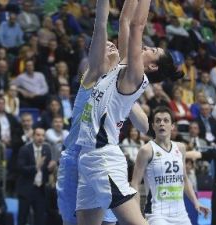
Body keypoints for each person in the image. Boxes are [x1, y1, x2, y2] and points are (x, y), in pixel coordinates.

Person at [75, 0, 182, 224]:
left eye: (153, 50)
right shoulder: (124, 64)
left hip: (102, 157)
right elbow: (124, 20)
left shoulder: (136, 76)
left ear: (152, 66)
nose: (147, 47)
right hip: (87, 157)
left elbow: (137, 25)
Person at [56, 0, 150, 225]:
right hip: (76, 158)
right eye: (105, 45)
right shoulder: (93, 74)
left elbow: (145, 126)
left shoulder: (120, 89)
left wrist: (129, 101)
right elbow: (102, 24)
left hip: (103, 157)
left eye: (113, 46)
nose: (109, 45)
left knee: (109, 223)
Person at [131, 106, 209, 225]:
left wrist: (196, 202)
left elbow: (184, 179)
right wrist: (136, 215)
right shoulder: (146, 150)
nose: (162, 123)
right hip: (157, 214)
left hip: (180, 213)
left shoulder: (181, 148)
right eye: (158, 121)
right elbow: (135, 183)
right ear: (153, 126)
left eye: (166, 120)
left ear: (172, 126)